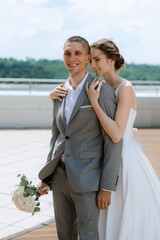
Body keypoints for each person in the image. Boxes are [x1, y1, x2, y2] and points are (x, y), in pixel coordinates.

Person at [50, 38, 160, 240]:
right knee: (102, 219)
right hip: (98, 160)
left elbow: (117, 134)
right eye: (91, 61)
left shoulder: (124, 87)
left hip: (124, 157)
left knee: (124, 215)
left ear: (112, 60)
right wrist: (54, 96)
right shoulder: (97, 85)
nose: (93, 65)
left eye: (97, 60)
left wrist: (94, 102)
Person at [37, 36, 122, 240]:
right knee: (64, 235)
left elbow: (112, 141)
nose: (72, 58)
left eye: (78, 53)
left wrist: (106, 187)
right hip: (59, 178)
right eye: (67, 53)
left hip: (88, 179)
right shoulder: (59, 92)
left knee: (88, 235)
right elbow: (57, 136)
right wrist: (47, 176)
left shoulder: (102, 91)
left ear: (87, 59)